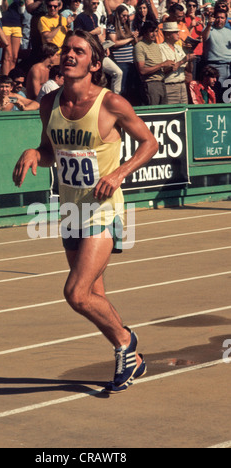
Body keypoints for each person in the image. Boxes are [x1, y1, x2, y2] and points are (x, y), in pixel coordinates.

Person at [12, 29, 158, 394]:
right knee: (94, 294)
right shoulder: (50, 104)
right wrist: (35, 154)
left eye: (78, 51)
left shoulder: (111, 104)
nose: (69, 55)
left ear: (95, 63)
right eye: (66, 50)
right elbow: (49, 151)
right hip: (70, 210)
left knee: (76, 294)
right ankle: (133, 360)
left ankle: (126, 340)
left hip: (103, 211)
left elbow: (149, 142)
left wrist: (120, 172)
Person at [75, 0, 123, 94]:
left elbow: (99, 35)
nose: (96, 5)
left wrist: (106, 46)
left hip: (98, 53)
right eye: (93, 3)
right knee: (94, 80)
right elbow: (78, 38)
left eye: (97, 3)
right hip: (87, 55)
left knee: (118, 73)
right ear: (87, 3)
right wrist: (93, 32)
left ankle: (115, 98)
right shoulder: (80, 18)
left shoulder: (95, 16)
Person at [134, 20, 173, 105]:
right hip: (150, 84)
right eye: (151, 31)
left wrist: (170, 67)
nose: (154, 34)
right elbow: (142, 70)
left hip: (162, 82)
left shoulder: (156, 45)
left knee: (164, 113)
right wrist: (162, 64)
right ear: (145, 32)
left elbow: (160, 68)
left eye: (156, 31)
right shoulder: (139, 46)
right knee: (153, 113)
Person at [107, 4, 139, 103]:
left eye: (127, 15)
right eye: (123, 15)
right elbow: (114, 43)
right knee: (122, 89)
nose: (126, 18)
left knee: (131, 89)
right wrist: (130, 38)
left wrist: (135, 37)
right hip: (121, 62)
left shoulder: (128, 27)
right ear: (118, 15)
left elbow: (134, 43)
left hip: (131, 61)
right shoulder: (111, 27)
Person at [160, 21, 196, 103]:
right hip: (170, 86)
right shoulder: (160, 48)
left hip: (182, 85)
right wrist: (183, 60)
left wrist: (190, 59)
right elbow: (164, 70)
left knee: (184, 111)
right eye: (175, 32)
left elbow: (189, 70)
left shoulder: (179, 48)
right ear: (167, 35)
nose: (178, 34)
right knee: (171, 113)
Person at [202, 8, 231, 101]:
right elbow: (204, 38)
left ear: (226, 19)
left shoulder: (229, 31)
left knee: (227, 98)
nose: (219, 20)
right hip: (214, 67)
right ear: (214, 18)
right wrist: (209, 24)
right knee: (215, 96)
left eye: (222, 18)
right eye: (217, 17)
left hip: (228, 67)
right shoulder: (208, 29)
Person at [1, 0, 25, 75]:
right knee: (7, 55)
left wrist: (22, 3)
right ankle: (5, 79)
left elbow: (22, 11)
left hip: (17, 25)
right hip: (5, 24)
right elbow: (3, 9)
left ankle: (11, 79)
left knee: (15, 57)